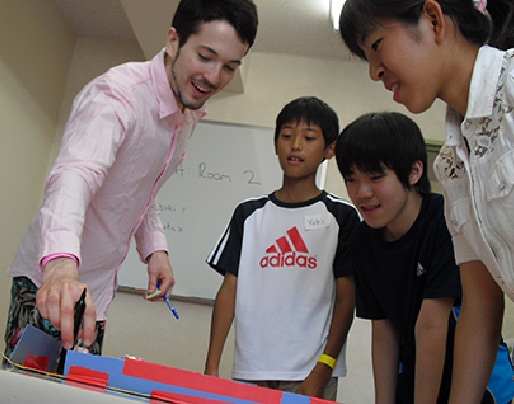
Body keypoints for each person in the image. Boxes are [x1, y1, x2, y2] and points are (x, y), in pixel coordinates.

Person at [3, 0, 258, 363]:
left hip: (97, 290)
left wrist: (155, 250)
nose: (214, 77)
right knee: (29, 394)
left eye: (229, 67)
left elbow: (142, 185)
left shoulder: (187, 114)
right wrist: (60, 265)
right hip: (52, 283)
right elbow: (75, 176)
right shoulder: (117, 96)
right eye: (205, 56)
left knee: (75, 394)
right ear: (173, 40)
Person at [338, 0, 514, 402]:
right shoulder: (453, 163)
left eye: (377, 44)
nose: (374, 70)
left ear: (433, 19)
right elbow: (480, 307)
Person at [336, 112, 514, 404]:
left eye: (376, 178)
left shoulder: (447, 221)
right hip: (417, 374)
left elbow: (432, 323)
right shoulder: (362, 239)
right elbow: (383, 330)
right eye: (351, 180)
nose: (362, 193)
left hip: (480, 383)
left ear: (414, 171)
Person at [204, 96, 359, 400]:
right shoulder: (248, 213)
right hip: (250, 371)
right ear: (275, 143)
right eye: (287, 136)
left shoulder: (342, 217)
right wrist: (211, 367)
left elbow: (346, 300)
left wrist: (323, 369)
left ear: (330, 149)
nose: (295, 145)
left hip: (310, 373)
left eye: (309, 138)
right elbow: (229, 290)